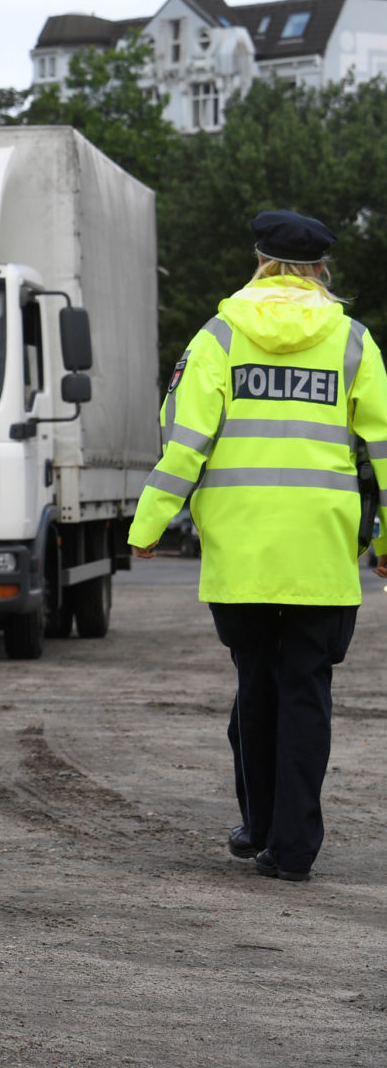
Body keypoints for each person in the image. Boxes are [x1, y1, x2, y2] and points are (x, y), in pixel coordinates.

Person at [129, 209, 387, 883]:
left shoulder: (218, 337)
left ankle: (258, 825)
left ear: (261, 263)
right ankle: (292, 845)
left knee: (255, 683)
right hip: (322, 557)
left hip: (240, 555)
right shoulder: (353, 342)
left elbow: (184, 443)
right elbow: (386, 452)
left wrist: (148, 525)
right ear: (321, 271)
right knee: (306, 692)